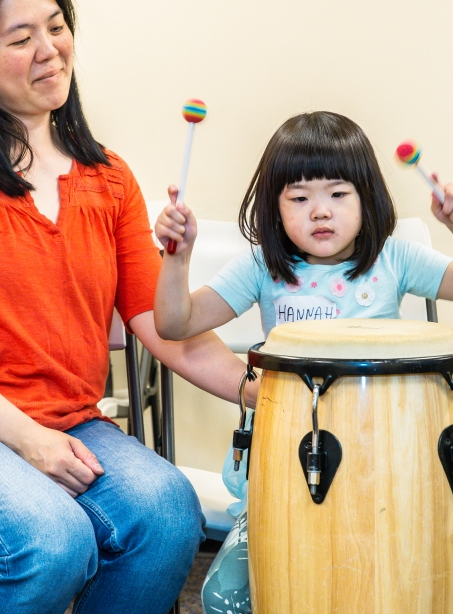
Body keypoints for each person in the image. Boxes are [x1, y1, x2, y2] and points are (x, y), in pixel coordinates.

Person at [0, 1, 259, 613]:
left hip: (70, 420)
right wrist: (29, 440)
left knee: (169, 515)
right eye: (20, 37)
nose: (48, 49)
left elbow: (166, 328)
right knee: (50, 540)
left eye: (57, 28)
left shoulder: (109, 178)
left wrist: (267, 391)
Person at [153, 110, 453, 613]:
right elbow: (174, 324)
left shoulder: (394, 258)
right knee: (226, 599)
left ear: (367, 198)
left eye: (338, 195)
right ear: (274, 207)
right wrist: (177, 257)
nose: (320, 212)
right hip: (286, 465)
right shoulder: (261, 267)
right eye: (299, 197)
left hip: (390, 468)